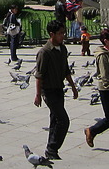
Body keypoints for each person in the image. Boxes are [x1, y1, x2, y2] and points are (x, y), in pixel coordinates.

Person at [34, 19, 79, 160]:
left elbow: (66, 70)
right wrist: (38, 95)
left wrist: (73, 86)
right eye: (60, 33)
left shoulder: (62, 48)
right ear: (52, 34)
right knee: (63, 120)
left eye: (63, 33)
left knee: (55, 120)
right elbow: (39, 75)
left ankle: (51, 150)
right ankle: (53, 148)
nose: (63, 36)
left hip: (59, 89)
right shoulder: (45, 52)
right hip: (48, 91)